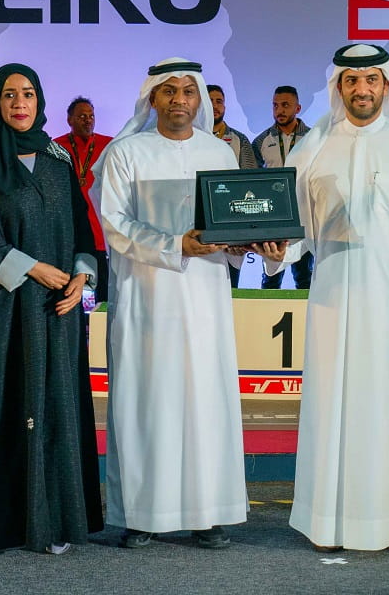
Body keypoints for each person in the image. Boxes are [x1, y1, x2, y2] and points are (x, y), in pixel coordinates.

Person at [254, 44, 389, 553]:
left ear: (386, 85)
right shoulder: (311, 151)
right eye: (352, 80)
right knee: (334, 410)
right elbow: (297, 231)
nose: (362, 89)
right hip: (333, 304)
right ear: (339, 88)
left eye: (371, 79)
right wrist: (277, 252)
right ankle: (329, 522)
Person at [0, 64, 103, 554]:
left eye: (27, 93)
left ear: (39, 100)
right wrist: (31, 268)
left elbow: (81, 225)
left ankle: (52, 521)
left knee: (53, 407)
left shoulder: (57, 157)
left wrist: (80, 277)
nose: (19, 103)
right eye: (8, 95)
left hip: (55, 309)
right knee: (0, 406)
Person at [96, 58, 248, 549]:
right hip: (146, 297)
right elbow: (115, 224)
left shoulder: (219, 153)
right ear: (153, 99)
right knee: (147, 399)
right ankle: (142, 514)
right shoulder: (126, 153)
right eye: (169, 91)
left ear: (198, 98)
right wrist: (175, 245)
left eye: (188, 90)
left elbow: (234, 221)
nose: (179, 99)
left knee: (206, 400)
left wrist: (250, 242)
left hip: (206, 299)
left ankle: (208, 513)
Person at [252, 85, 314, 289]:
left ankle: (306, 311)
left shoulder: (313, 138)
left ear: (298, 108)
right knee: (271, 278)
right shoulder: (261, 141)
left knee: (304, 277)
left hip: (303, 215)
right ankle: (265, 311)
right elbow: (253, 181)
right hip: (273, 217)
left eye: (285, 105)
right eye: (275, 105)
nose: (279, 110)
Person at [54, 96, 113, 304]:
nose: (88, 120)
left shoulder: (109, 145)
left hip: (99, 229)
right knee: (68, 291)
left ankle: (103, 326)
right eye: (81, 117)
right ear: (69, 120)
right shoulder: (56, 147)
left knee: (103, 296)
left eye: (91, 116)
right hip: (70, 230)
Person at [208, 83, 258, 287]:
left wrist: (243, 233)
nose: (215, 106)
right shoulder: (188, 137)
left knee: (230, 289)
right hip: (196, 227)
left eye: (219, 101)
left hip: (231, 224)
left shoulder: (240, 140)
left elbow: (250, 184)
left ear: (225, 106)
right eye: (210, 101)